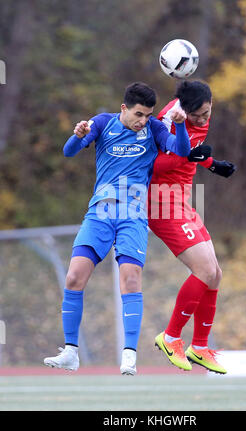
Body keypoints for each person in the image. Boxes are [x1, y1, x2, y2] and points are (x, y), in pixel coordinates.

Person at [43, 82, 199, 375]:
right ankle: (71, 352)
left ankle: (129, 354)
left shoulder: (153, 129)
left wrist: (179, 127)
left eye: (148, 115)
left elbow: (181, 153)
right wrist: (77, 136)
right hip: (99, 212)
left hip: (133, 215)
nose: (143, 120)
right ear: (124, 108)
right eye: (139, 114)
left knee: (130, 280)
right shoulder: (103, 123)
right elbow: (68, 151)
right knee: (75, 276)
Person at [148, 80, 236, 374]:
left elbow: (194, 151)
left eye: (206, 113)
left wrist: (211, 163)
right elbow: (154, 165)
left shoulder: (200, 113)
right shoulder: (169, 121)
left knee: (215, 275)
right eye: (195, 115)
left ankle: (199, 347)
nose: (201, 119)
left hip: (181, 202)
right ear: (183, 110)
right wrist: (187, 156)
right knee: (204, 270)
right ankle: (170, 337)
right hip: (162, 203)